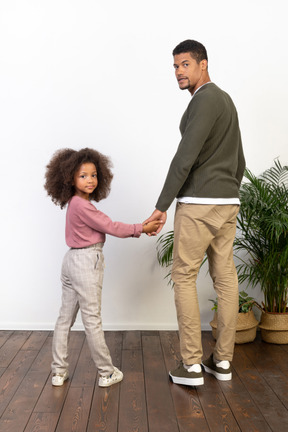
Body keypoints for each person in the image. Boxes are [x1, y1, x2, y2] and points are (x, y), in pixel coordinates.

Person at [144, 40, 245, 386]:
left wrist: (161, 207)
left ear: (203, 64)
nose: (178, 72)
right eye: (175, 66)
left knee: (184, 275)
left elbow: (184, 158)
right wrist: (228, 192)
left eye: (185, 64)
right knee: (226, 277)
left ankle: (190, 366)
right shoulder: (226, 101)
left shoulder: (205, 100)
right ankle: (224, 361)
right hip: (227, 203)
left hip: (199, 203)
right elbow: (240, 159)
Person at [44, 147, 161, 387]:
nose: (90, 180)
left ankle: (58, 372)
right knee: (92, 319)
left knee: (64, 318)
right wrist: (142, 228)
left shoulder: (75, 203)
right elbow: (112, 227)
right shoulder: (82, 206)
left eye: (94, 174)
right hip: (86, 261)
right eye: (83, 175)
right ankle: (106, 373)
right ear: (69, 178)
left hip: (71, 261)